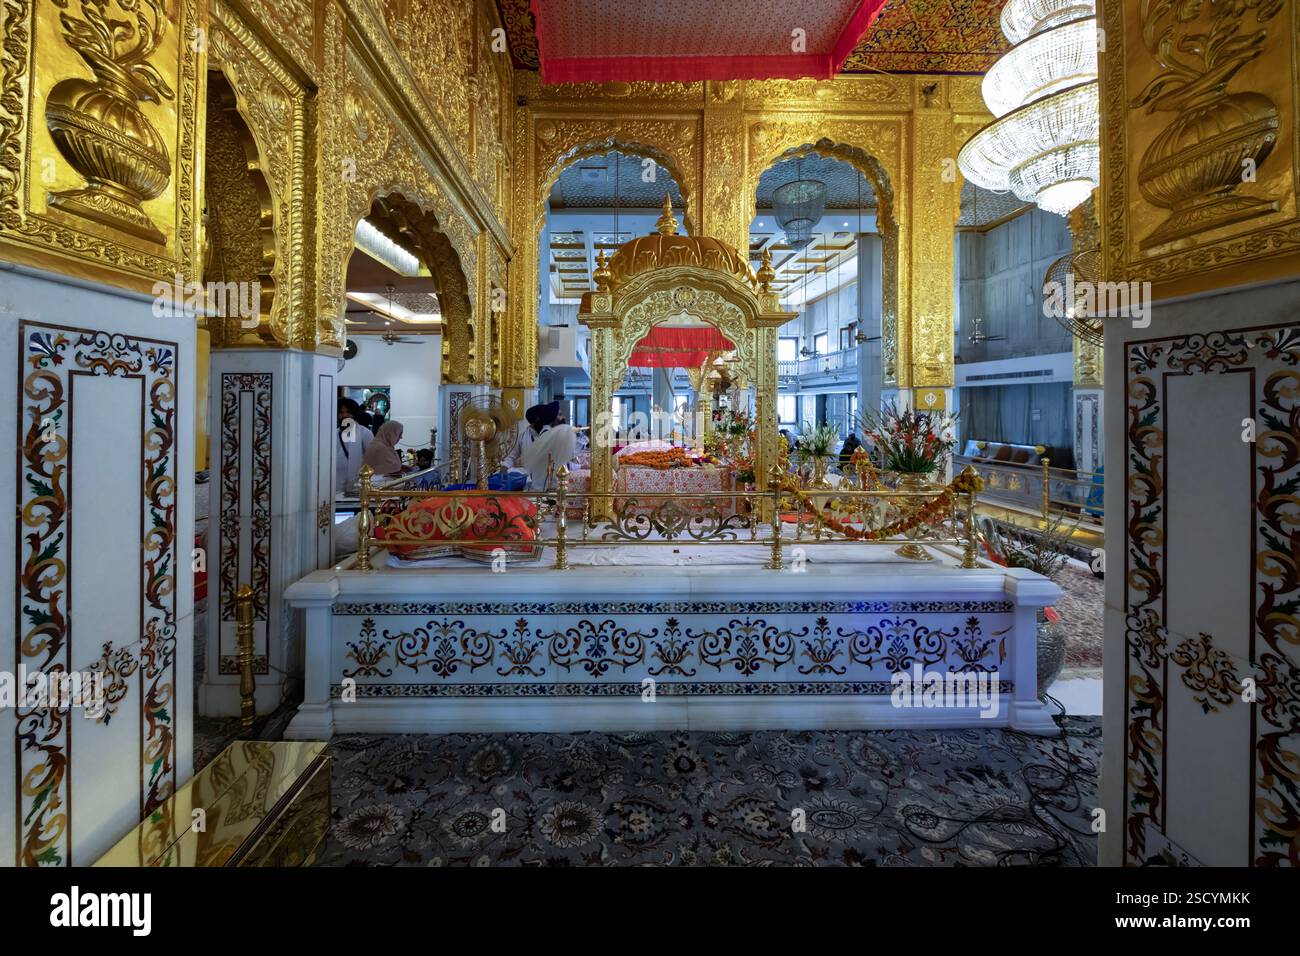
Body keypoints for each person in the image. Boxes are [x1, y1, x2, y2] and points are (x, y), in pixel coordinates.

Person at [336, 399, 374, 495]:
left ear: (354, 414)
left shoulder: (365, 433)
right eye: (341, 412)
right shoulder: (333, 433)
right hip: (335, 487)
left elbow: (372, 460)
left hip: (358, 488)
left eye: (348, 412)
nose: (344, 415)